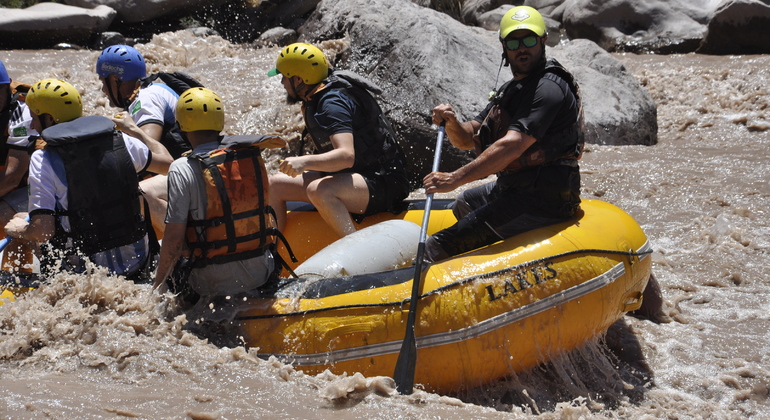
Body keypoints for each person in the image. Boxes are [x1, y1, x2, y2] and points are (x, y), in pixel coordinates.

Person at [423, 5, 583, 262]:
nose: (522, 48)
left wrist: (454, 178)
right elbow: (467, 138)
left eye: (529, 39)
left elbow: (513, 145)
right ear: (504, 47)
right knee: (464, 202)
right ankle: (486, 259)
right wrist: (453, 122)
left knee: (434, 247)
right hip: (514, 189)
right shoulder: (512, 90)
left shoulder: (549, 88)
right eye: (513, 42)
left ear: (543, 41)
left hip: (543, 199)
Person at [3, 78, 173, 280]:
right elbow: (170, 164)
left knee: (20, 223)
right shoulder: (121, 141)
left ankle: (19, 287)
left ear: (49, 118)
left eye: (34, 117)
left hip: (86, 273)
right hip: (138, 261)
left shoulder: (44, 159)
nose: (31, 123)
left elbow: (43, 231)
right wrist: (135, 131)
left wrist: (21, 229)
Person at [153, 87, 290, 303]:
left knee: (160, 254)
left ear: (181, 126)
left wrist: (157, 287)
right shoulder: (251, 155)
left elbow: (174, 239)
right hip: (261, 272)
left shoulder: (181, 168)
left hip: (210, 283)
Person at [266, 42, 410, 238]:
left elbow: (346, 156)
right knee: (275, 184)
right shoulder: (317, 94)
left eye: (284, 76)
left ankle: (356, 250)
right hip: (355, 176)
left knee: (319, 190)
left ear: (298, 79)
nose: (282, 82)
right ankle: (273, 255)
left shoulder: (332, 104)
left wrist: (304, 162)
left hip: (384, 180)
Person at [96, 44, 189, 238]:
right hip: (188, 168)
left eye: (103, 81)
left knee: (133, 192)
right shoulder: (155, 88)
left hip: (186, 173)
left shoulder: (146, 99)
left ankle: (182, 246)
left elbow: (147, 150)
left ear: (115, 79)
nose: (103, 89)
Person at [0, 59, 38, 274]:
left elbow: (13, 177)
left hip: (33, 189)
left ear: (7, 88)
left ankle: (18, 276)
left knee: (6, 212)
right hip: (9, 188)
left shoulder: (21, 113)